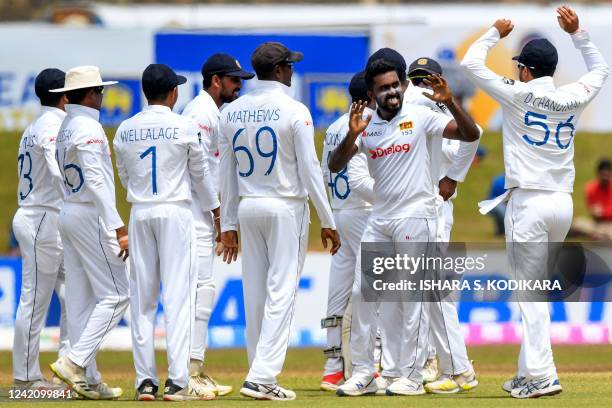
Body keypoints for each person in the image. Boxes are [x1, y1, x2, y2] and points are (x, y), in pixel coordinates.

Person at [461, 6, 609, 398]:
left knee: (530, 293)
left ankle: (543, 375)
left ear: (525, 70)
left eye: (519, 67)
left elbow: (470, 63)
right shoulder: (571, 96)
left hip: (527, 203)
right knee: (537, 290)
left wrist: (494, 31)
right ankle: (528, 373)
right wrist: (578, 34)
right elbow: (600, 70)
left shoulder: (516, 94)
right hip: (561, 203)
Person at [331, 59, 480, 397]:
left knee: (414, 298)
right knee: (362, 294)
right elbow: (336, 164)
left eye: (396, 84)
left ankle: (412, 375)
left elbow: (471, 134)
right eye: (384, 88)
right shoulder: (365, 125)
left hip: (418, 216)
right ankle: (366, 373)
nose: (393, 92)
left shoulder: (422, 116)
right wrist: (351, 135)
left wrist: (450, 102)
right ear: (372, 93)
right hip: (381, 219)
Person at [219, 41, 340, 400]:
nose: (292, 71)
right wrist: (328, 219)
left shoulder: (232, 112)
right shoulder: (294, 110)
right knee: (281, 293)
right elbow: (311, 172)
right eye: (289, 66)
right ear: (278, 71)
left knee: (254, 293)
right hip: (286, 206)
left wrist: (228, 224)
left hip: (247, 206)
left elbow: (225, 173)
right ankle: (262, 376)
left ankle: (259, 372)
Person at [114, 63, 220, 401]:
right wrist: (215, 209)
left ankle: (145, 381)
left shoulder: (124, 130)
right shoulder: (185, 126)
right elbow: (201, 174)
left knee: (143, 301)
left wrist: (142, 196)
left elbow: (125, 175)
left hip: (141, 211)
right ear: (173, 92)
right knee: (179, 298)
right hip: (176, 212)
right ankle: (177, 381)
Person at [49, 66, 129, 400]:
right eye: (100, 91)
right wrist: (118, 226)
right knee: (117, 295)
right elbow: (96, 181)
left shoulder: (66, 126)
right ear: (91, 94)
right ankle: (75, 362)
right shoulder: (88, 127)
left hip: (68, 210)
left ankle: (89, 379)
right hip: (88, 213)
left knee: (80, 303)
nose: (102, 96)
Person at [404, 56, 479, 394]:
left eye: (428, 78)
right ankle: (428, 362)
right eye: (416, 78)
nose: (422, 84)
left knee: (434, 289)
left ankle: (458, 369)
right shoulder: (409, 103)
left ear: (438, 80)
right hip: (409, 208)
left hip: (433, 205)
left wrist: (453, 177)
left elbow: (471, 137)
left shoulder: (440, 108)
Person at [181, 53, 254, 397]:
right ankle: (188, 374)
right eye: (234, 80)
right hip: (194, 216)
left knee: (202, 293)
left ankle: (195, 368)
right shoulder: (200, 114)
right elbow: (195, 170)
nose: (239, 86)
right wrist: (219, 217)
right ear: (215, 81)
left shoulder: (213, 113)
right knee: (199, 294)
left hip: (202, 215)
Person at [12, 68, 70, 391]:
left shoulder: (32, 127)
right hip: (41, 218)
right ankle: (26, 377)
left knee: (74, 292)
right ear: (64, 96)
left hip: (44, 217)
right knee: (34, 300)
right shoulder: (53, 126)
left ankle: (71, 367)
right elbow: (55, 166)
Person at [319, 71, 375, 391]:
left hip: (339, 212)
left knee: (337, 293)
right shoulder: (368, 123)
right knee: (372, 290)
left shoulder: (335, 127)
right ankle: (372, 363)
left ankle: (331, 367)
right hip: (364, 213)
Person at [572, 158, 612, 240]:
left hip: (610, 224)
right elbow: (593, 210)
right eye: (603, 174)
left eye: (607, 174)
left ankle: (599, 236)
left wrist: (603, 212)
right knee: (577, 223)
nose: (605, 177)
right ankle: (600, 235)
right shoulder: (591, 187)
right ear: (598, 174)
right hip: (596, 224)